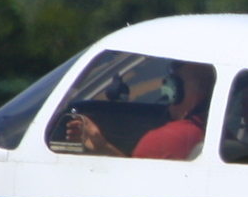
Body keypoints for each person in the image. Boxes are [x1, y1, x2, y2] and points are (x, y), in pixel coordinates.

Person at [67, 61, 214, 160]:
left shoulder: (163, 140)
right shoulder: (221, 136)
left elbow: (129, 187)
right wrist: (102, 147)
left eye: (173, 80)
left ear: (176, 89)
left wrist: (102, 147)